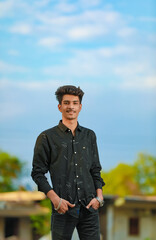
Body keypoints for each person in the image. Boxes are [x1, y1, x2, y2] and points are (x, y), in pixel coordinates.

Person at [31, 85, 105, 240]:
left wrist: (99, 197)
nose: (71, 107)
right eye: (66, 103)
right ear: (60, 107)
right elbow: (38, 173)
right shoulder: (46, 137)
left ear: (80, 106)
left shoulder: (89, 136)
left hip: (90, 207)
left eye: (75, 103)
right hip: (62, 208)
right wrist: (55, 200)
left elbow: (95, 169)